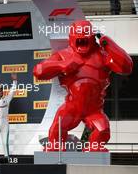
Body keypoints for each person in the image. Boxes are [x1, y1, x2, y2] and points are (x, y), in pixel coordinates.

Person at [33, 20, 133, 151]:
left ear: (92, 37)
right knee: (57, 131)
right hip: (72, 107)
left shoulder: (102, 55)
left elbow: (127, 67)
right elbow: (38, 71)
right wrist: (61, 65)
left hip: (94, 109)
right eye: (78, 38)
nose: (82, 41)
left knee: (103, 131)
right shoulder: (64, 55)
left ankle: (94, 151)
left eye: (85, 38)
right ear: (71, 38)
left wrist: (108, 43)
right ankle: (55, 154)